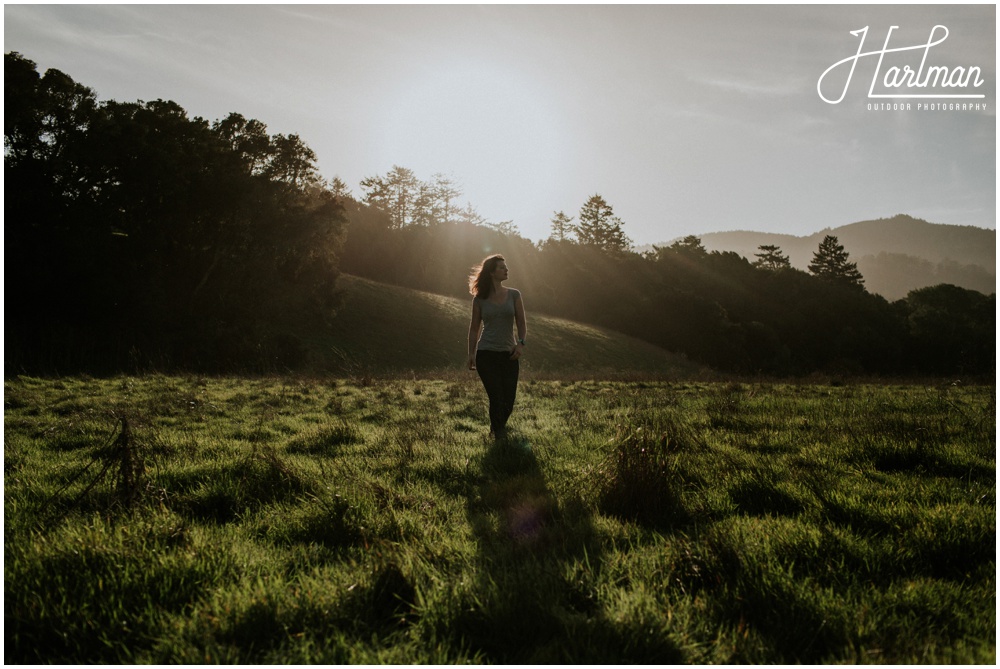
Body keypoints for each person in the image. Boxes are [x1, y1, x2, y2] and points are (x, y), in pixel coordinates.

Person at [467, 254, 526, 439]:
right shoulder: (479, 299)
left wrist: (520, 345)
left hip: (509, 354)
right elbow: (474, 328)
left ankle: (496, 429)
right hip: (486, 354)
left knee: (509, 400)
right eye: (502, 267)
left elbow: (522, 323)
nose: (506, 269)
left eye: (505, 266)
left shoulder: (514, 294)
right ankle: (499, 435)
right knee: (496, 397)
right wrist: (471, 353)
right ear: (492, 272)